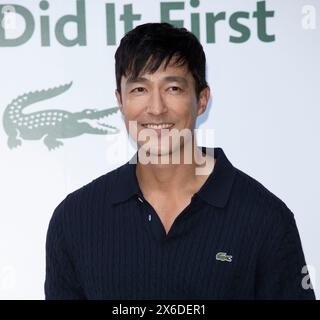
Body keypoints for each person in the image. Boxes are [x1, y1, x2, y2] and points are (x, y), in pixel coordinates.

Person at [45, 23, 315, 300]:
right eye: (139, 89)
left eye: (173, 88)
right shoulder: (75, 218)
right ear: (121, 101)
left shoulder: (265, 217)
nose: (156, 108)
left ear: (202, 100)